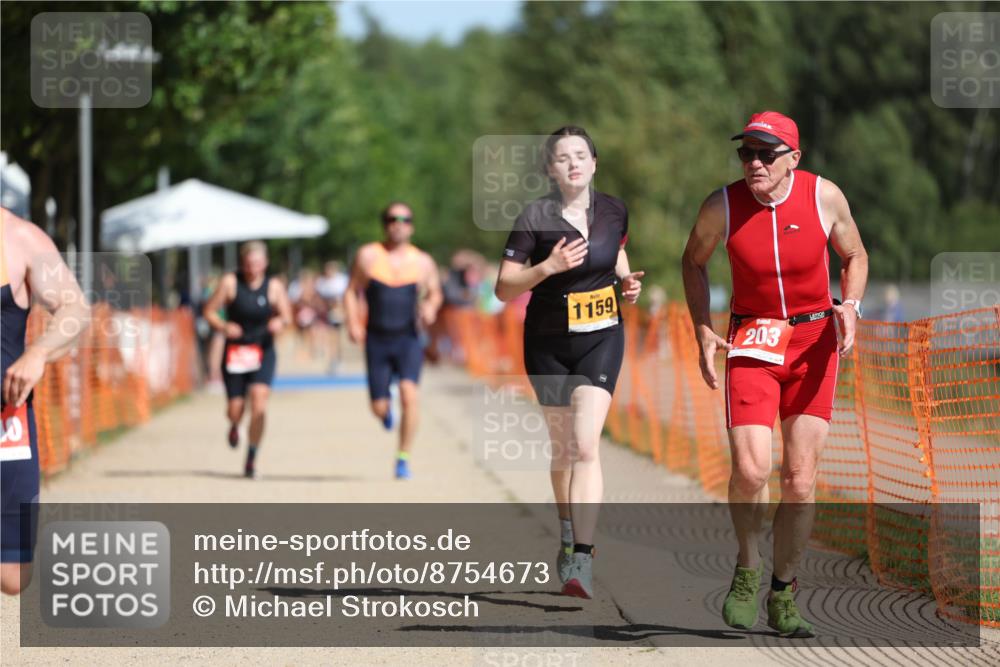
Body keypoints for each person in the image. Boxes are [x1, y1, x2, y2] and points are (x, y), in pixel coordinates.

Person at [681, 111, 868, 637]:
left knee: (801, 479)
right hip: (753, 339)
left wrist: (849, 305)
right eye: (746, 153)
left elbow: (854, 254)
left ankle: (784, 593)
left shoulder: (823, 196)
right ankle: (747, 567)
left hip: (813, 341)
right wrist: (702, 326)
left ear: (794, 159)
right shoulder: (722, 205)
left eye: (766, 154)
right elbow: (692, 261)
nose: (754, 163)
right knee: (751, 469)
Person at [495, 126, 643, 599]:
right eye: (563, 158)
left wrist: (626, 281)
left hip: (601, 337)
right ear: (550, 169)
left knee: (584, 446)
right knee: (562, 450)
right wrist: (547, 269)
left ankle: (582, 556)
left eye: (582, 155)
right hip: (547, 345)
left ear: (595, 163)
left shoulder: (615, 209)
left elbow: (616, 250)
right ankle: (565, 529)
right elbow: (504, 287)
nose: (574, 163)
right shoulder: (534, 217)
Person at [1, 207, 89, 594]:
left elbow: (75, 307)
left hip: (8, 418)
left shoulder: (20, 238)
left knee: (13, 575)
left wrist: (37, 354)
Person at [343, 202, 442, 480]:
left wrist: (431, 307)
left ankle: (402, 457)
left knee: (410, 395)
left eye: (404, 219)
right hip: (376, 339)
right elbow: (351, 291)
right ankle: (385, 413)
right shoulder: (368, 256)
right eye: (392, 219)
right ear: (384, 224)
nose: (398, 224)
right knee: (378, 407)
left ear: (412, 226)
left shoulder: (422, 262)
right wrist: (352, 322)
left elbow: (435, 293)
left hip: (408, 339)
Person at [203, 241, 292, 479]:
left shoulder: (273, 286)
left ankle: (251, 457)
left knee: (259, 403)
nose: (253, 268)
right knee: (235, 409)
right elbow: (208, 311)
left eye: (257, 263)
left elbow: (287, 315)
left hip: (263, 350)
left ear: (265, 263)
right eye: (248, 264)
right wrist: (223, 325)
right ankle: (234, 425)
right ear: (242, 264)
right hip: (236, 352)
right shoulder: (230, 283)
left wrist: (279, 322)